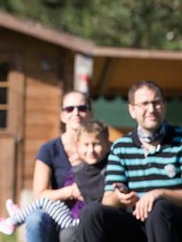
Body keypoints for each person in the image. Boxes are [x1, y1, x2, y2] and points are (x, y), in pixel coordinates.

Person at [77, 80, 182, 242]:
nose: (151, 109)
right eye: (144, 104)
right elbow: (108, 199)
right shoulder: (121, 147)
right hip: (135, 223)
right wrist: (120, 198)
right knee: (91, 212)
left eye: (156, 103)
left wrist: (160, 194)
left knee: (159, 207)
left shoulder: (180, 140)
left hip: (173, 222)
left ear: (164, 105)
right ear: (132, 110)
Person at [0, 119, 110, 235]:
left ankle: (13, 220)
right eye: (86, 145)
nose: (90, 149)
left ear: (106, 145)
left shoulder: (104, 170)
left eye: (96, 144)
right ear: (78, 145)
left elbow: (93, 193)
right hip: (72, 218)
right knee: (51, 203)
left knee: (44, 201)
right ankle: (17, 216)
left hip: (78, 223)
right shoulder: (79, 168)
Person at [23, 90, 93, 242]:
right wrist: (72, 191)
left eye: (82, 108)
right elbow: (39, 195)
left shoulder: (101, 149)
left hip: (89, 212)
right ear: (62, 116)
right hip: (55, 214)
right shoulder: (49, 149)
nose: (76, 113)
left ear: (89, 113)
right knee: (35, 219)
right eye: (69, 109)